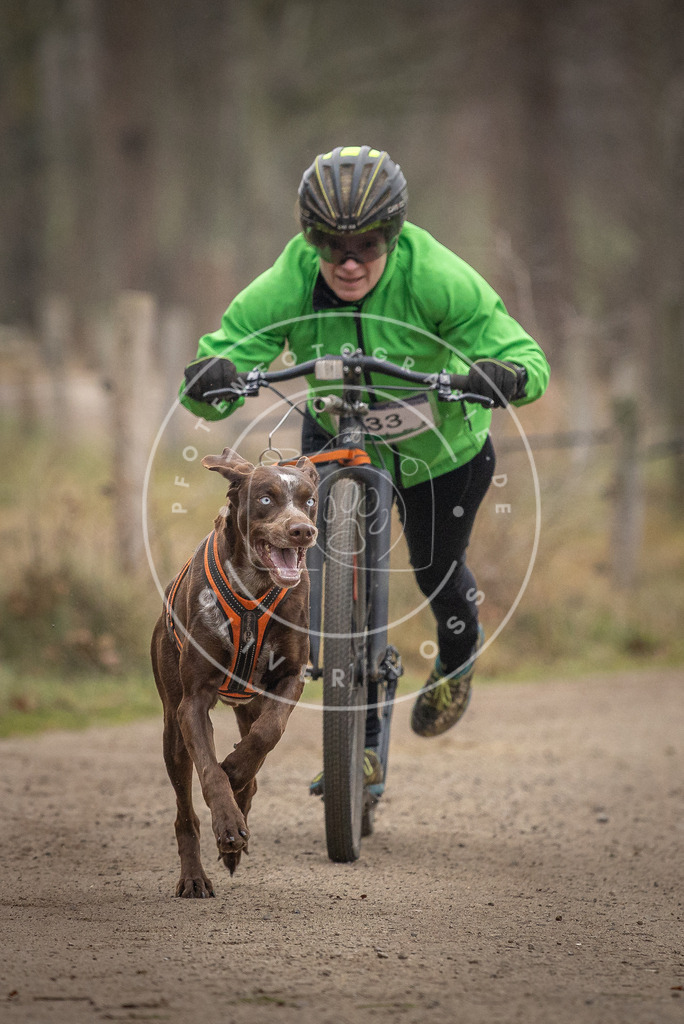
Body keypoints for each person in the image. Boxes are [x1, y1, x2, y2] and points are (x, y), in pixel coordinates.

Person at [181, 145, 550, 792]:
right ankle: (365, 746)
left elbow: (523, 355)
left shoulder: (435, 274)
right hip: (337, 430)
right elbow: (229, 351)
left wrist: (504, 374)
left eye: (370, 243)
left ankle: (458, 656)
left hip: (443, 452)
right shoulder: (292, 279)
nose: (349, 261)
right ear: (309, 237)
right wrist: (214, 378)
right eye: (330, 243)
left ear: (396, 234)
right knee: (324, 565)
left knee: (436, 571)